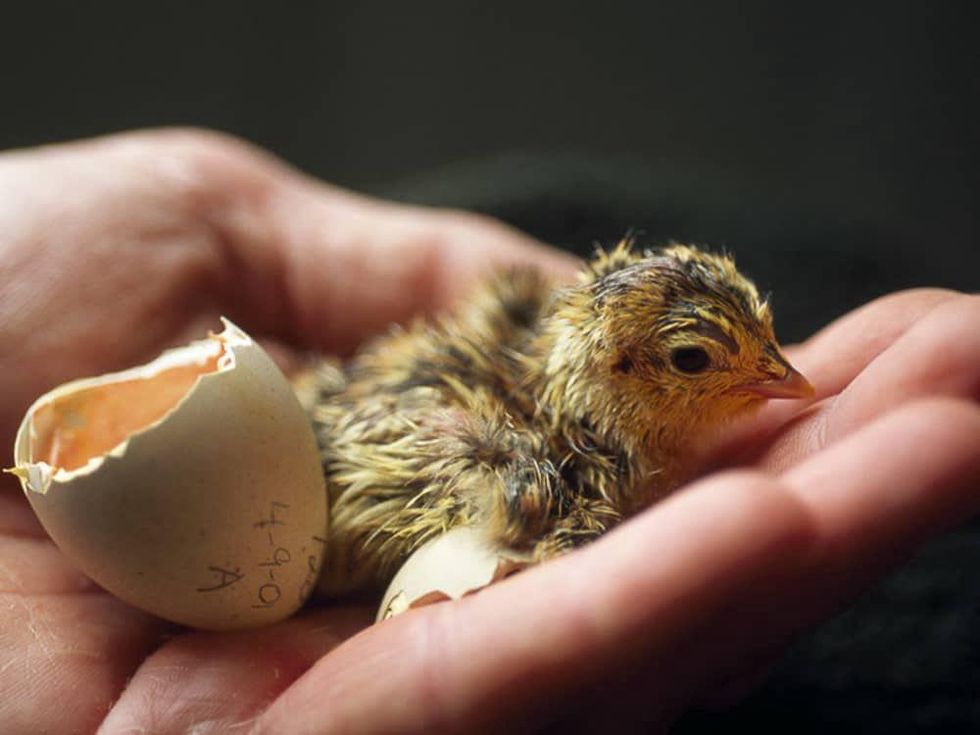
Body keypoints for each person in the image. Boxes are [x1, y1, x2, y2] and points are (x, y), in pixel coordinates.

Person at [1, 129, 977, 733]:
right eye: (695, 360)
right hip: (334, 482)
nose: (774, 376)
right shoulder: (558, 481)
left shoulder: (551, 394)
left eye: (758, 341)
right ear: (618, 375)